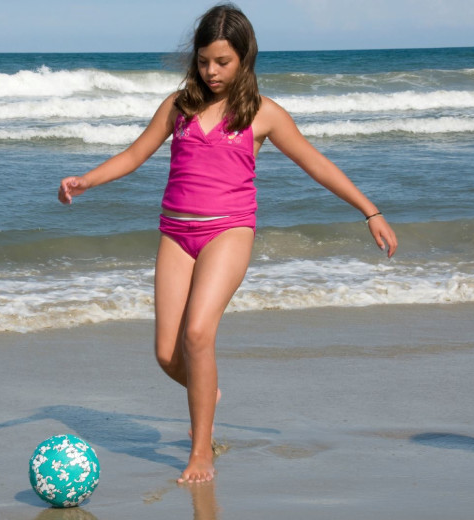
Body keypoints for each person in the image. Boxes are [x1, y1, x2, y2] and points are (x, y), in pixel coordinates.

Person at [58, 3, 397, 484]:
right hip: (176, 232)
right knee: (165, 354)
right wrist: (86, 181)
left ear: (244, 58)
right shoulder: (178, 106)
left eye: (223, 62)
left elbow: (316, 165)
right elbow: (135, 153)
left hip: (228, 231)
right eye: (203, 61)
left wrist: (371, 211)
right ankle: (207, 387)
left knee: (198, 334)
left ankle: (200, 453)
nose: (211, 71)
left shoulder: (264, 114)